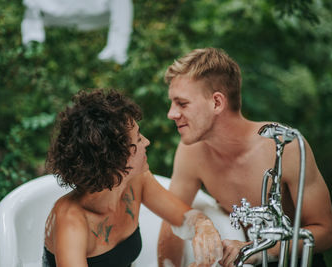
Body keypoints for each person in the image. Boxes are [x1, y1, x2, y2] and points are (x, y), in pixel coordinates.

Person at [157, 48, 332, 267]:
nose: (171, 114)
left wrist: (257, 250)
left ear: (216, 103)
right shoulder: (191, 152)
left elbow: (325, 232)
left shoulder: (284, 146)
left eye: (182, 103)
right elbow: (173, 220)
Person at [42, 89, 223, 267]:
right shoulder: (71, 221)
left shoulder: (137, 181)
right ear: (114, 158)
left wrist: (203, 225)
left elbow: (183, 217)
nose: (146, 142)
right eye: (137, 139)